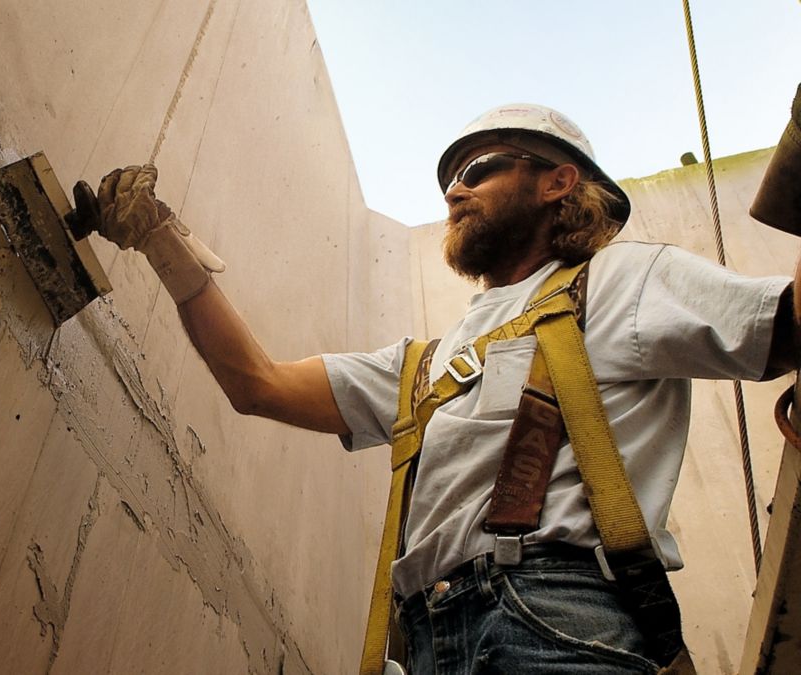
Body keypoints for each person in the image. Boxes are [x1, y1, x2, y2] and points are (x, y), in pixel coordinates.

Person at [86, 104, 799, 674]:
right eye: (451, 179)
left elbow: (783, 326)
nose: (454, 189)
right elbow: (258, 384)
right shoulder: (423, 367)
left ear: (558, 183)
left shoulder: (625, 282)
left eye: (480, 168)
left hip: (562, 620)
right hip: (426, 640)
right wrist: (161, 242)